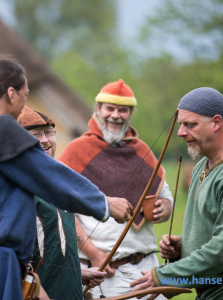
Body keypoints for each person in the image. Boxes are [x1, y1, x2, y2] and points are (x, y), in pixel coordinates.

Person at [0, 58, 133, 300]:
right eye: (25, 94)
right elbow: (51, 176)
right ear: (11, 93)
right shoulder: (1, 128)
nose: (25, 102)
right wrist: (104, 203)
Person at [58, 79, 173, 299]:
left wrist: (164, 207)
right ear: (98, 110)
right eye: (110, 108)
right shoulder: (75, 151)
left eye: (123, 110)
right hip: (104, 274)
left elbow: (166, 196)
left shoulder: (142, 151)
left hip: (148, 270)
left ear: (130, 114)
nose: (115, 115)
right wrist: (94, 254)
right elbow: (63, 212)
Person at [130, 87, 223, 300]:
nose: (181, 132)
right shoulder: (201, 166)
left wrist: (163, 276)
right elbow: (211, 228)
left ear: (217, 123)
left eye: (190, 125)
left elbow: (220, 250)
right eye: (181, 124)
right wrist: (183, 246)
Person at [17, 106, 107, 300]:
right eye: (35, 135)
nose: (44, 140)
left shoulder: (58, 183)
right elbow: (10, 259)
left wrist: (77, 274)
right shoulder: (17, 187)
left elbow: (55, 247)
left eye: (48, 133)